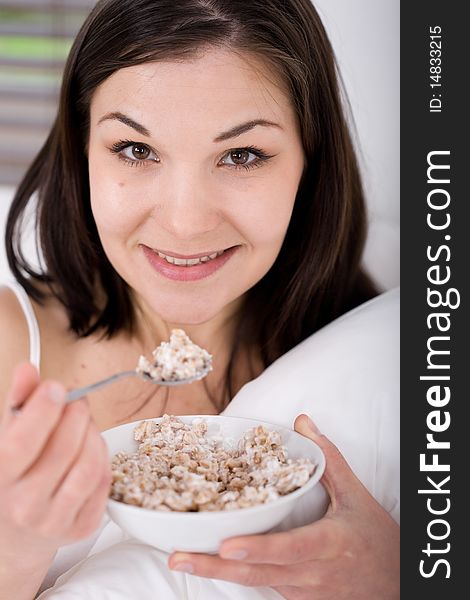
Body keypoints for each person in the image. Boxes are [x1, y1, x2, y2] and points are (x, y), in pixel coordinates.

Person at [0, 0, 399, 598]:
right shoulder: (9, 349)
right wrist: (14, 544)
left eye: (242, 155)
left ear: (308, 166)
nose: (185, 223)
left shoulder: (386, 365)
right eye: (135, 149)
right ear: (82, 152)